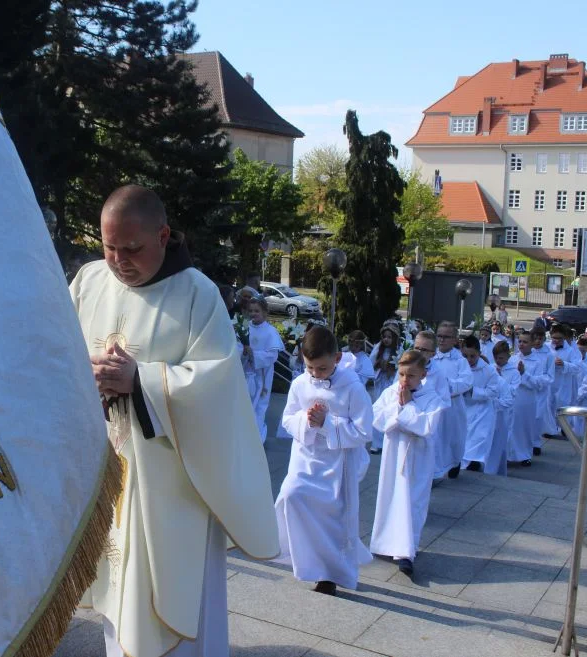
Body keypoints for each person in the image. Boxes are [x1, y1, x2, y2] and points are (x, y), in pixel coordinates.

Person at [70, 185, 278, 657]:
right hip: (106, 468)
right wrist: (90, 373)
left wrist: (138, 380)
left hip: (171, 484)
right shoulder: (87, 282)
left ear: (163, 236)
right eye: (108, 247)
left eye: (132, 249)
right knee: (115, 602)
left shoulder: (196, 295)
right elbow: (59, 352)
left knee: (172, 611)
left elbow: (219, 386)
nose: (119, 261)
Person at [274, 326, 373, 596]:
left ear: (338, 358)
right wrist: (306, 420)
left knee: (330, 516)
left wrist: (328, 423)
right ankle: (299, 554)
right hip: (306, 456)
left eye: (322, 369)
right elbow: (287, 418)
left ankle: (328, 573)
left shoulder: (352, 387)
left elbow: (365, 431)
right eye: (310, 368)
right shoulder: (299, 384)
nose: (315, 375)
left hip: (337, 462)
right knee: (291, 495)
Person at [370, 349, 447, 576]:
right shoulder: (391, 392)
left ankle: (406, 551)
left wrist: (408, 407)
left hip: (418, 459)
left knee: (413, 501)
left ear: (423, 374)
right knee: (390, 496)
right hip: (393, 455)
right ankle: (384, 543)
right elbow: (376, 417)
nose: (405, 380)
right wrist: (399, 409)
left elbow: (427, 427)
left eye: (411, 375)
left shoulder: (432, 398)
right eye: (402, 374)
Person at [431, 322, 473, 479]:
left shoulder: (459, 360)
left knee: (453, 437)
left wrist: (447, 386)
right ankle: (435, 471)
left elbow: (467, 381)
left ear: (455, 340)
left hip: (452, 406)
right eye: (439, 336)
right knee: (435, 437)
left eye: (446, 337)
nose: (441, 340)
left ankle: (455, 462)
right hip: (433, 404)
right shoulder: (431, 357)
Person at [243, 298, 285, 442]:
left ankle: (257, 439)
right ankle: (244, 436)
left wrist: (253, 354)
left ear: (265, 313)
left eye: (257, 311)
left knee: (259, 406)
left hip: (262, 374)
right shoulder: (244, 327)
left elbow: (272, 355)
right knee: (245, 405)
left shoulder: (270, 331)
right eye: (251, 311)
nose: (253, 314)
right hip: (246, 372)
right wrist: (243, 352)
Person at [460, 336, 502, 471]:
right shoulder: (459, 367)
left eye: (472, 356)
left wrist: (474, 391)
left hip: (481, 411)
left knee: (477, 439)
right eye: (465, 356)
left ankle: (474, 462)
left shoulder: (488, 370)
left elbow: (493, 391)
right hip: (463, 408)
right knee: (463, 439)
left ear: (479, 353)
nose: (469, 360)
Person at [368, 323, 402, 455]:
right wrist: (379, 366)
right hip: (380, 382)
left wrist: (391, 369)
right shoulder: (378, 348)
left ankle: (386, 442)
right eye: (385, 337)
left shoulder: (399, 350)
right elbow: (371, 363)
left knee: (389, 411)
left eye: (390, 337)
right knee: (378, 410)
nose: (387, 340)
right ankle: (376, 442)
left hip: (390, 383)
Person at [485, 341, 518, 475]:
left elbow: (513, 392)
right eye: (496, 358)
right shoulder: (490, 368)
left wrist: (500, 378)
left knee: (500, 441)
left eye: (501, 358)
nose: (498, 361)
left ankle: (498, 469)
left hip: (504, 413)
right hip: (490, 412)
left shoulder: (514, 372)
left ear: (508, 357)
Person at [548, 325, 581, 432]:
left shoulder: (571, 351)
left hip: (564, 382)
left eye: (559, 338)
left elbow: (577, 367)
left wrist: (564, 364)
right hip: (550, 381)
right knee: (549, 404)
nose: (556, 341)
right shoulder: (546, 348)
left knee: (563, 404)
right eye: (554, 338)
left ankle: (565, 428)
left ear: (564, 338)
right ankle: (549, 429)